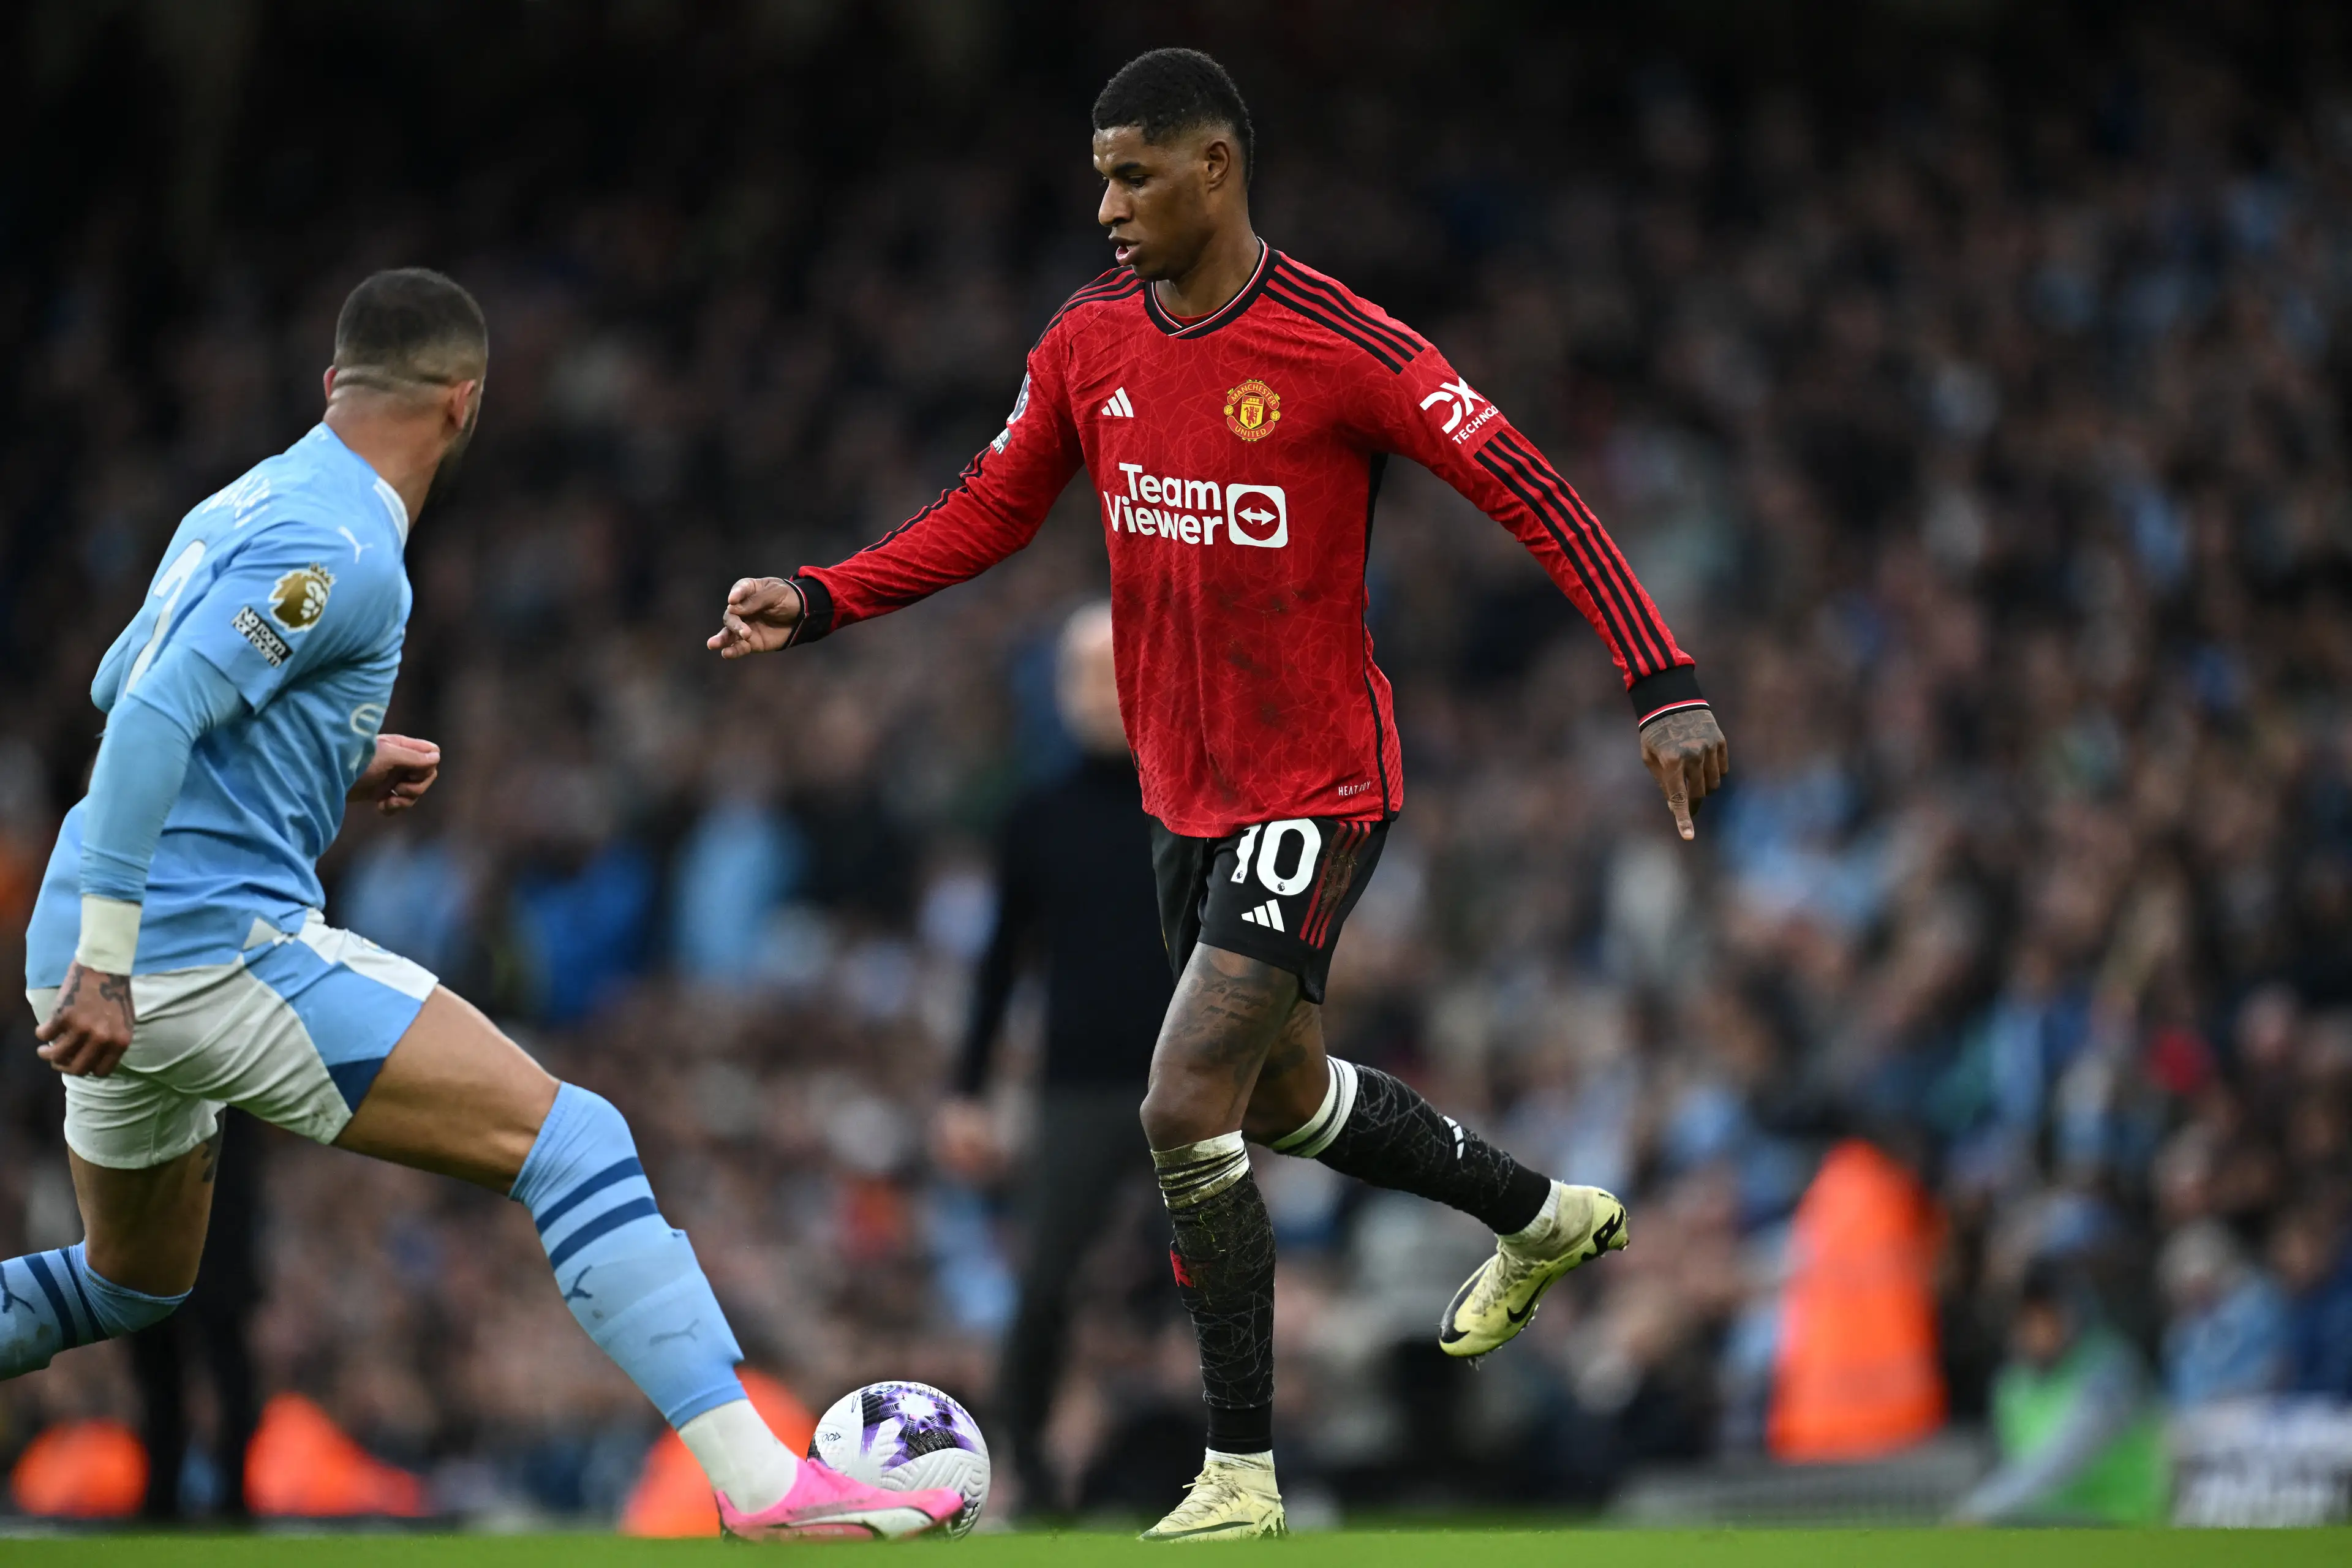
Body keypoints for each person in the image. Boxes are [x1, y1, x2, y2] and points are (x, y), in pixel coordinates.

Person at [709, 48, 1728, 1540]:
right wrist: (822, 597)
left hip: (1319, 779)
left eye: (1133, 173)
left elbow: (1529, 482)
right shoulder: (1087, 342)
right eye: (1100, 173)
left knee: (1180, 1097)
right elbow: (991, 509)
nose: (1105, 202)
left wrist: (1660, 675)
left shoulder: (1341, 342)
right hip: (1182, 794)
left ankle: (1241, 1471)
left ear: (1214, 169)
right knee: (1286, 1096)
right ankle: (1538, 1214)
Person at [4, 270, 960, 1543]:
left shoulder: (239, 501)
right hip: (192, 949)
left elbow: (126, 672)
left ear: (331, 384)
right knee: (577, 1142)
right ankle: (763, 1488)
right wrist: (116, 963)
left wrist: (336, 751)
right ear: (466, 403)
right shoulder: (344, 547)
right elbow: (154, 712)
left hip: (82, 934)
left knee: (130, 1282)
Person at [936, 600, 1174, 1515]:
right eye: (1078, 674)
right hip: (1076, 1086)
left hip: (1191, 1085)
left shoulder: (1199, 801)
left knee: (1228, 1278)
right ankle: (1024, 1473)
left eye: (1110, 670)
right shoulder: (1038, 815)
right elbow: (1000, 964)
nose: (1093, 692)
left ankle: (1247, 1464)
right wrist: (966, 1089)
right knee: (1040, 1289)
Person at [1951, 1262, 2166, 1526]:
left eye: (2046, 1318)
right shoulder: (2011, 1385)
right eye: (2025, 1320)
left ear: (2071, 1315)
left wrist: (1983, 1505)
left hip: (2122, 1522)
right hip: (2049, 1526)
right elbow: (2010, 1464)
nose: (2035, 1331)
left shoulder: (2109, 1368)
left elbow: (2066, 1455)